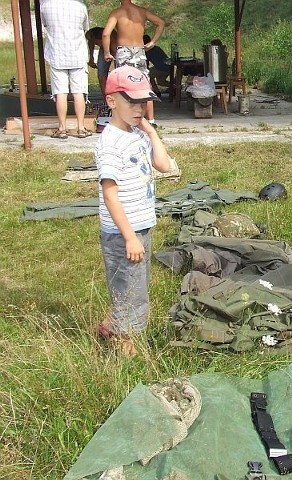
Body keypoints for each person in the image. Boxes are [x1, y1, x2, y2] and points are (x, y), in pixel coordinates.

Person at [95, 65, 171, 356]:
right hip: (122, 232)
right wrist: (128, 237)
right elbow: (110, 195)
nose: (139, 108)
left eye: (143, 101)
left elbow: (163, 165)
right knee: (130, 290)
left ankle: (111, 326)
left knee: (134, 285)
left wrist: (150, 131)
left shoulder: (137, 134)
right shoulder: (111, 142)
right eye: (132, 102)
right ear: (112, 101)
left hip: (140, 226)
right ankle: (126, 349)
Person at [102, 0, 166, 127]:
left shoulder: (117, 12)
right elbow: (161, 23)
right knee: (145, 85)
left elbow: (106, 34)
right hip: (139, 51)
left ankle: (125, 119)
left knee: (123, 86)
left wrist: (107, 52)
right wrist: (153, 42)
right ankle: (151, 120)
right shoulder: (141, 11)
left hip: (124, 51)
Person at [40, 0, 91, 139]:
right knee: (79, 91)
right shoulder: (81, 6)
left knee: (60, 92)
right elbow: (85, 27)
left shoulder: (46, 5)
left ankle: (62, 129)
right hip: (77, 54)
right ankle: (80, 128)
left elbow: (45, 24)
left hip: (57, 54)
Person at [86, 26, 117, 101]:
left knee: (119, 74)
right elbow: (91, 42)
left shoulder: (112, 38)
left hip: (115, 47)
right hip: (106, 48)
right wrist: (91, 58)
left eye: (97, 43)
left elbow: (116, 54)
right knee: (101, 75)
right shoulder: (94, 39)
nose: (97, 45)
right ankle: (106, 99)